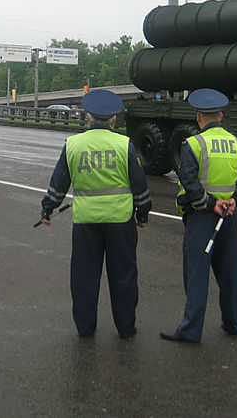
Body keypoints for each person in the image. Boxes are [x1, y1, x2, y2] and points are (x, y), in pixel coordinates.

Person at [39, 89, 152, 339]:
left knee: (84, 277)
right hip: (120, 221)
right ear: (113, 120)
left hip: (86, 222)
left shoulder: (73, 145)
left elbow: (59, 183)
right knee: (123, 276)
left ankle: (85, 327)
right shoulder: (125, 145)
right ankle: (125, 327)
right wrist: (143, 214)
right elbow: (139, 185)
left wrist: (48, 208)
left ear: (88, 118)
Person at [161, 88, 237, 344]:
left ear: (199, 118)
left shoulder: (193, 144)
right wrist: (234, 201)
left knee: (197, 273)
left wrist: (210, 204)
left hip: (202, 217)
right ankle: (233, 323)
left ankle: (191, 330)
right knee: (229, 273)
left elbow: (190, 183)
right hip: (228, 216)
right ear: (221, 115)